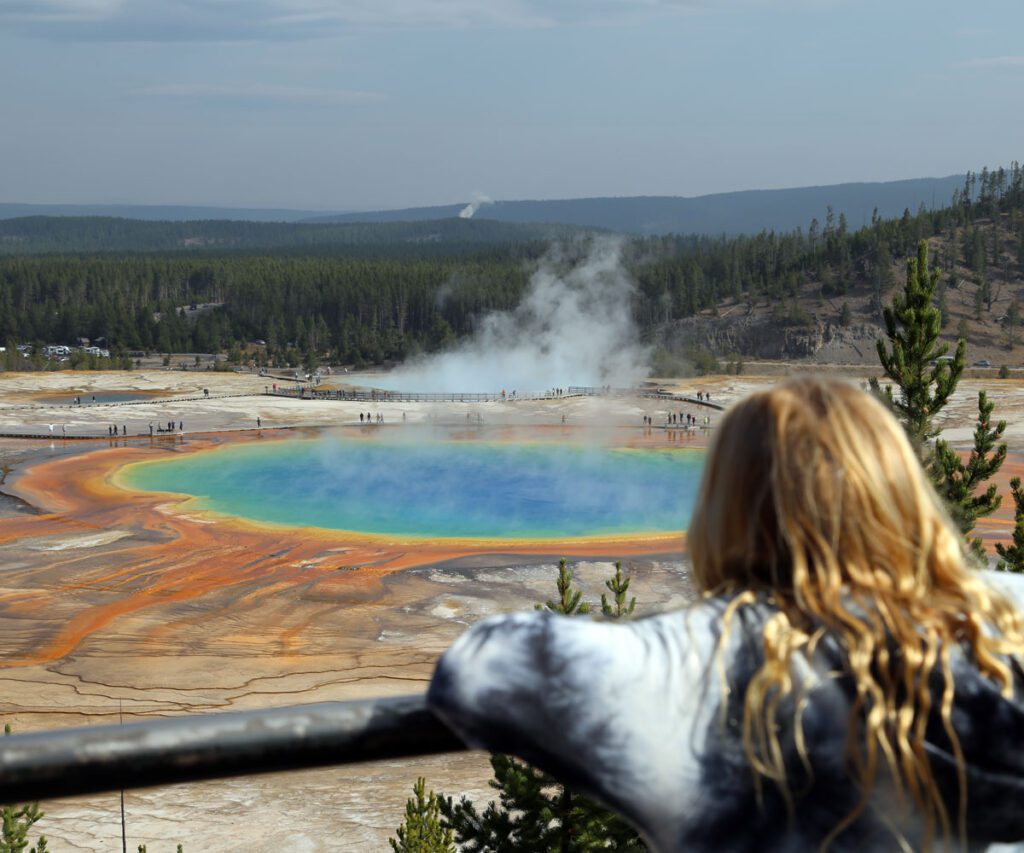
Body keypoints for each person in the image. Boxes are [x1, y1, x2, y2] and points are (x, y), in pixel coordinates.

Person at [428, 378, 1024, 852]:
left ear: (727, 506)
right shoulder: (1003, 619)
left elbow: (481, 670)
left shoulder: (701, 661)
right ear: (898, 494)